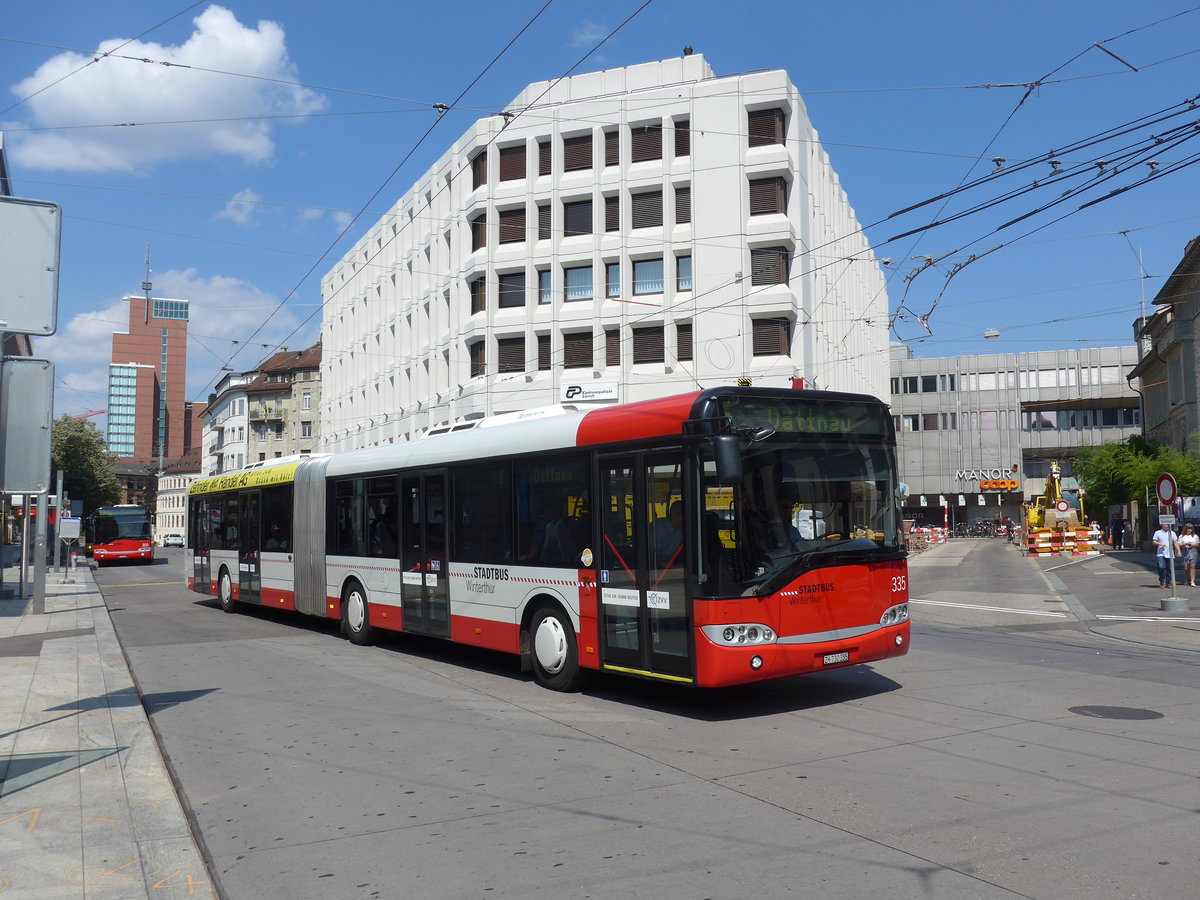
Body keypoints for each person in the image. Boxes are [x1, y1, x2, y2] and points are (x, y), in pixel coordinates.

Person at [1152, 523, 1180, 588]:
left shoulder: (1172, 533)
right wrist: (1159, 544)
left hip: (1170, 553)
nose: (1167, 526)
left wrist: (1178, 551)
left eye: (1167, 525)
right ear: (1162, 525)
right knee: (1161, 567)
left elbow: (1175, 542)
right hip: (1160, 553)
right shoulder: (1158, 532)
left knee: (1169, 569)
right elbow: (1154, 541)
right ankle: (1162, 581)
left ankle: (1168, 582)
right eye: (1165, 525)